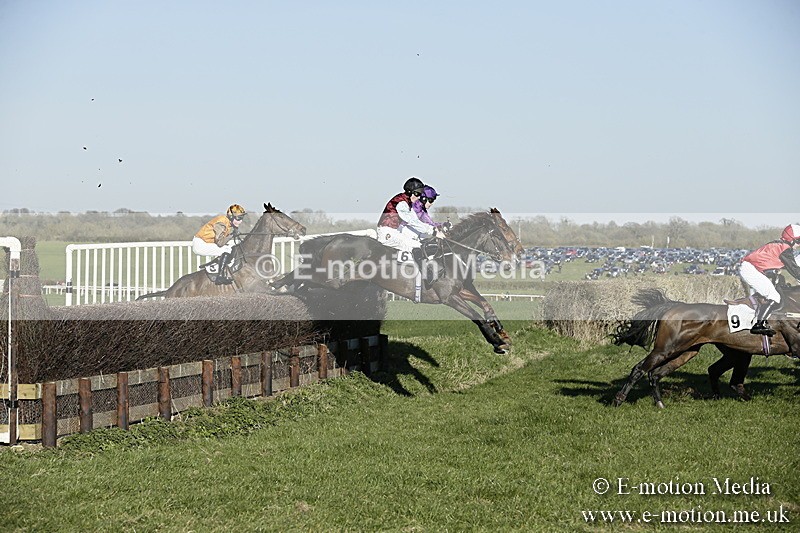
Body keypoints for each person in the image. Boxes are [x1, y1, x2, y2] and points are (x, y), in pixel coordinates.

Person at [376, 177, 439, 285]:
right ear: (410, 192)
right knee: (417, 246)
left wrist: (435, 229)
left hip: (393, 232)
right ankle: (426, 277)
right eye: (418, 194)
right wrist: (432, 231)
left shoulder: (407, 202)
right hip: (386, 233)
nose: (419, 197)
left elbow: (418, 222)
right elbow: (412, 221)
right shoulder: (402, 203)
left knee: (419, 244)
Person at [739, 224, 800, 335]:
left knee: (776, 291)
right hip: (751, 270)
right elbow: (794, 270)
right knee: (774, 297)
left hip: (753, 268)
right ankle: (758, 325)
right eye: (798, 241)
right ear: (791, 240)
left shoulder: (780, 245)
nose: (799, 244)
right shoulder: (785, 249)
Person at [192, 204, 247, 284]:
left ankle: (217, 266)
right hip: (200, 244)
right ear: (231, 216)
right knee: (227, 250)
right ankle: (220, 276)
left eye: (242, 218)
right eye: (238, 218)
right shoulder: (222, 223)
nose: (240, 221)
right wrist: (232, 235)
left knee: (229, 248)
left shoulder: (228, 222)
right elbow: (220, 243)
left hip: (205, 242)